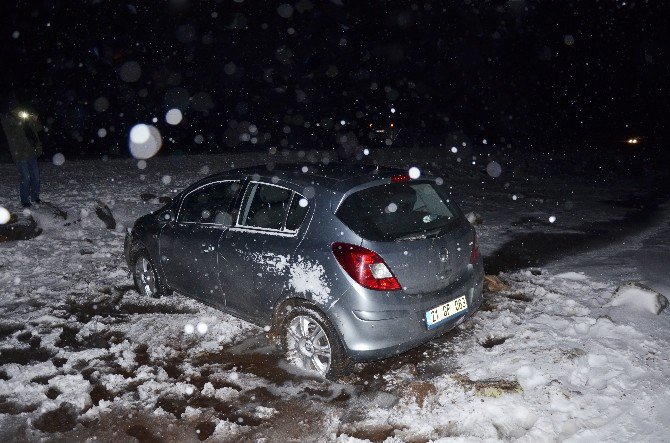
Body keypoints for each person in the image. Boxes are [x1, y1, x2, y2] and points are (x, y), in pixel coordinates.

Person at [0, 108, 43, 207]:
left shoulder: (28, 123)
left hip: (32, 153)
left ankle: (35, 197)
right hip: (20, 154)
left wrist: (35, 120)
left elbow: (39, 128)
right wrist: (12, 117)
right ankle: (24, 200)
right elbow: (4, 118)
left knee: (36, 177)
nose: (22, 114)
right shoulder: (10, 123)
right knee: (26, 177)